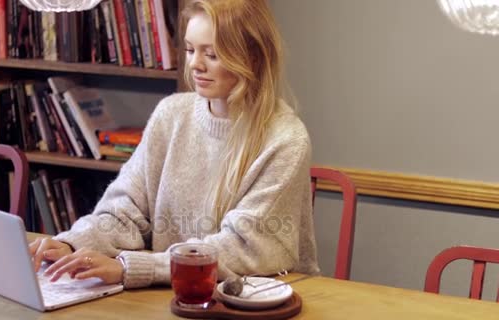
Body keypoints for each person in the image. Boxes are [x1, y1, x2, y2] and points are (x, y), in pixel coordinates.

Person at [29, 0, 319, 289]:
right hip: (175, 294)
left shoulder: (285, 139)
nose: (195, 64)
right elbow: (124, 210)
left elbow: (243, 247)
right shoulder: (171, 114)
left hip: (250, 300)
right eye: (191, 49)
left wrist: (133, 267)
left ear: (253, 58)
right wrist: (71, 243)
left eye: (213, 54)